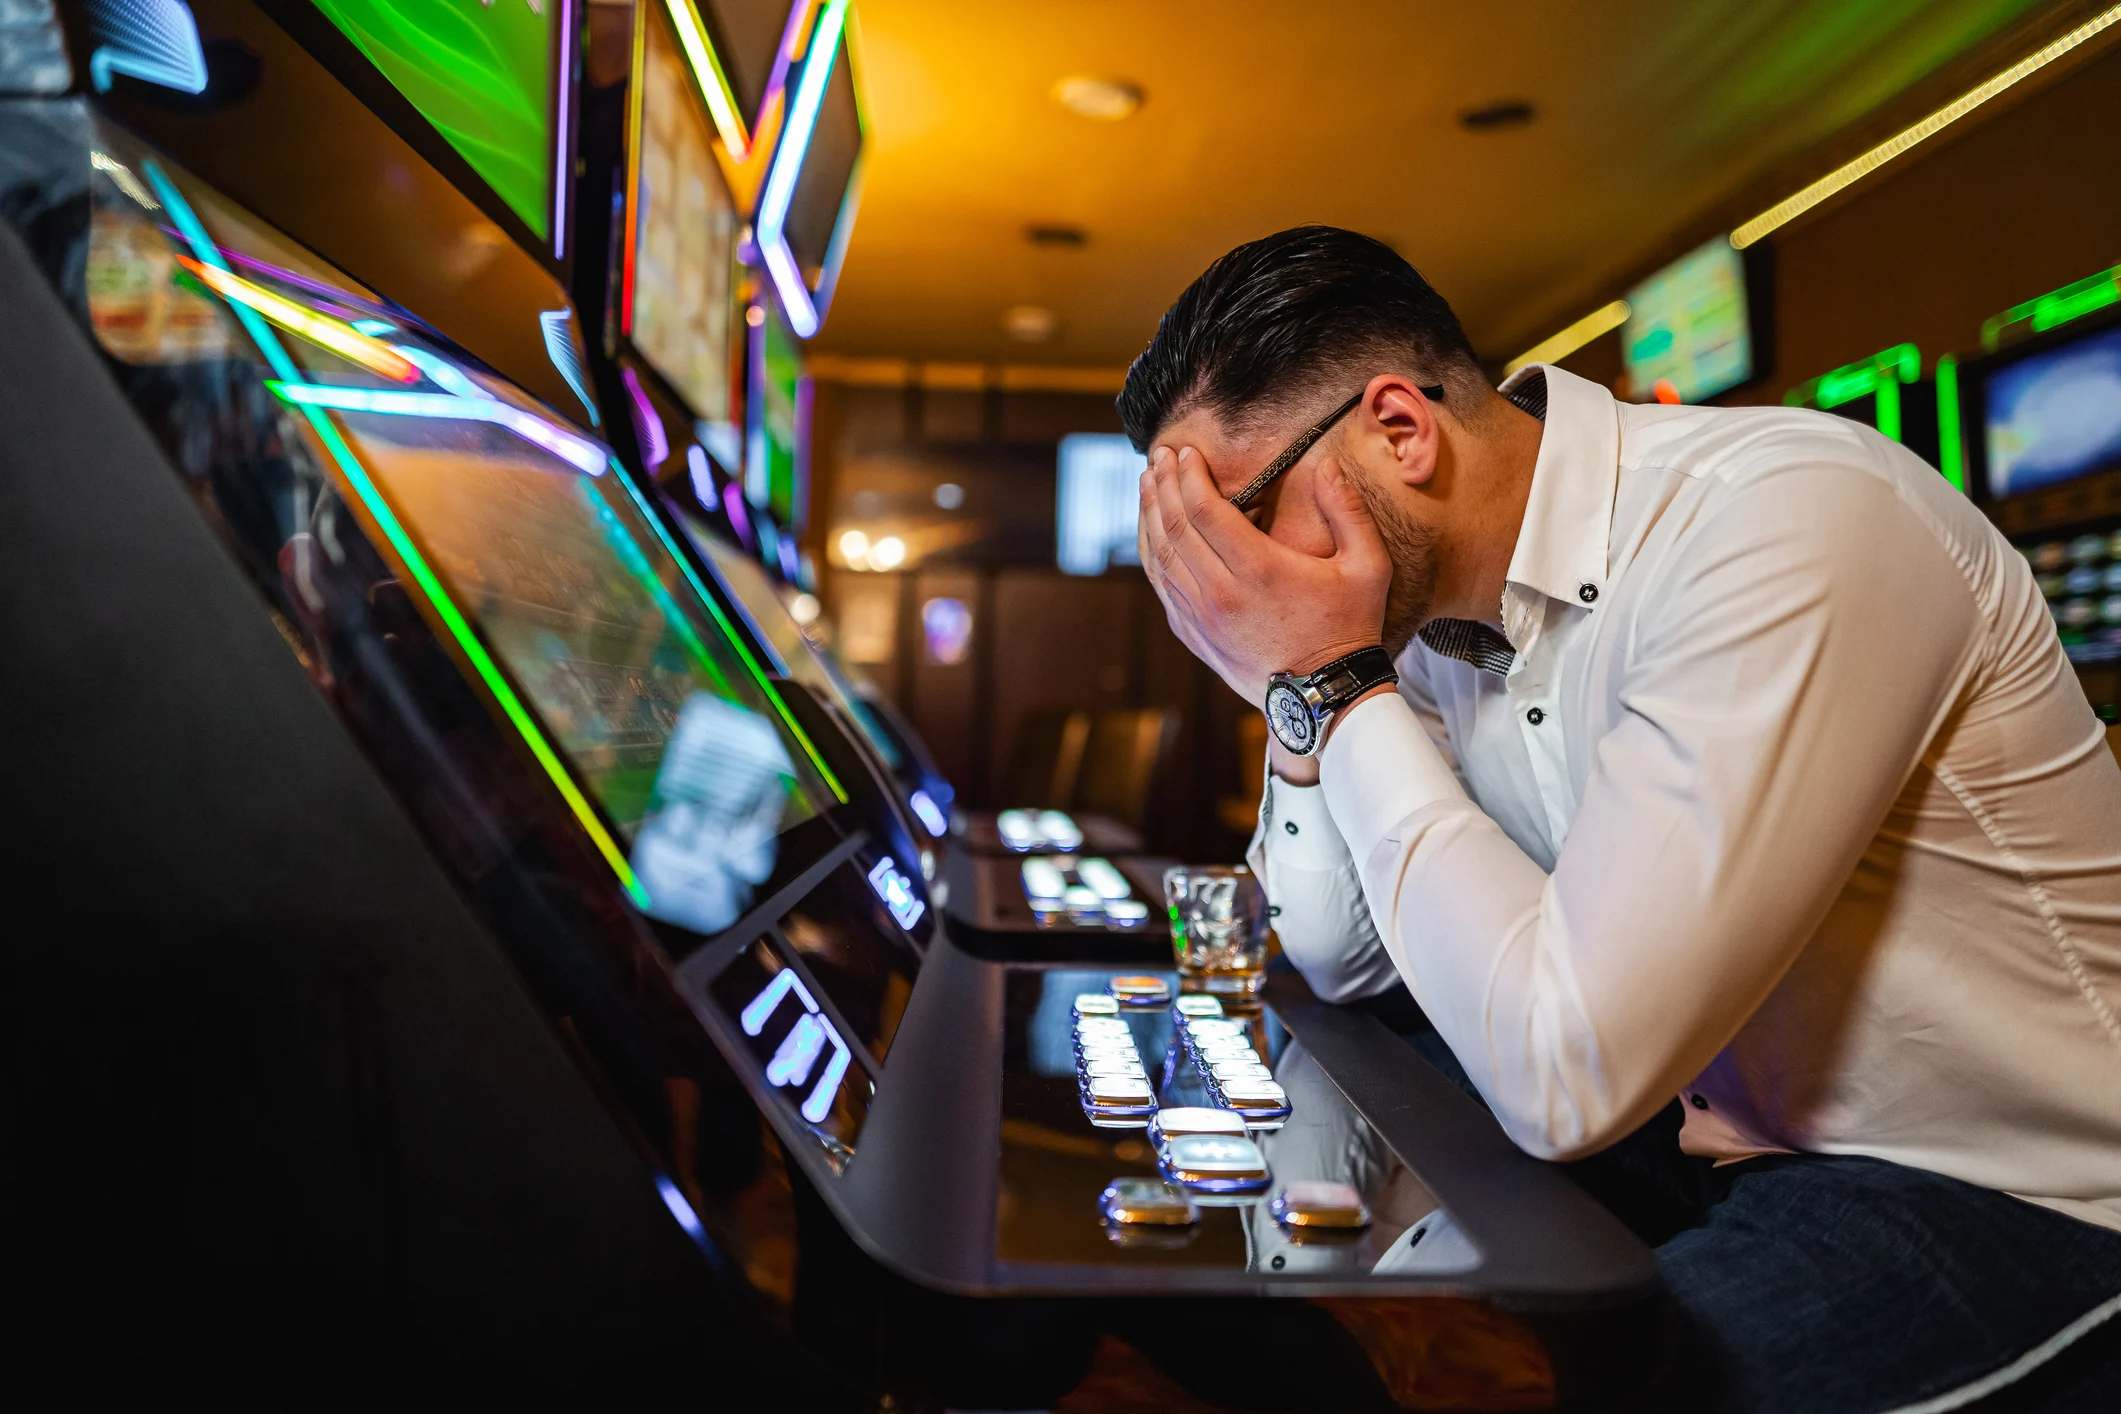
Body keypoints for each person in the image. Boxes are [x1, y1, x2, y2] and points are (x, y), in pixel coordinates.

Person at [1123, 225, 2121, 1412]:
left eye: (1233, 516)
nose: (1220, 577)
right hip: (1699, 1118)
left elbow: (1566, 1077)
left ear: (1401, 429)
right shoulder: (1426, 623)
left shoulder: (1784, 519)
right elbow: (1338, 957)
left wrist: (1328, 677)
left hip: (2004, 1183)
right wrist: (1300, 689)